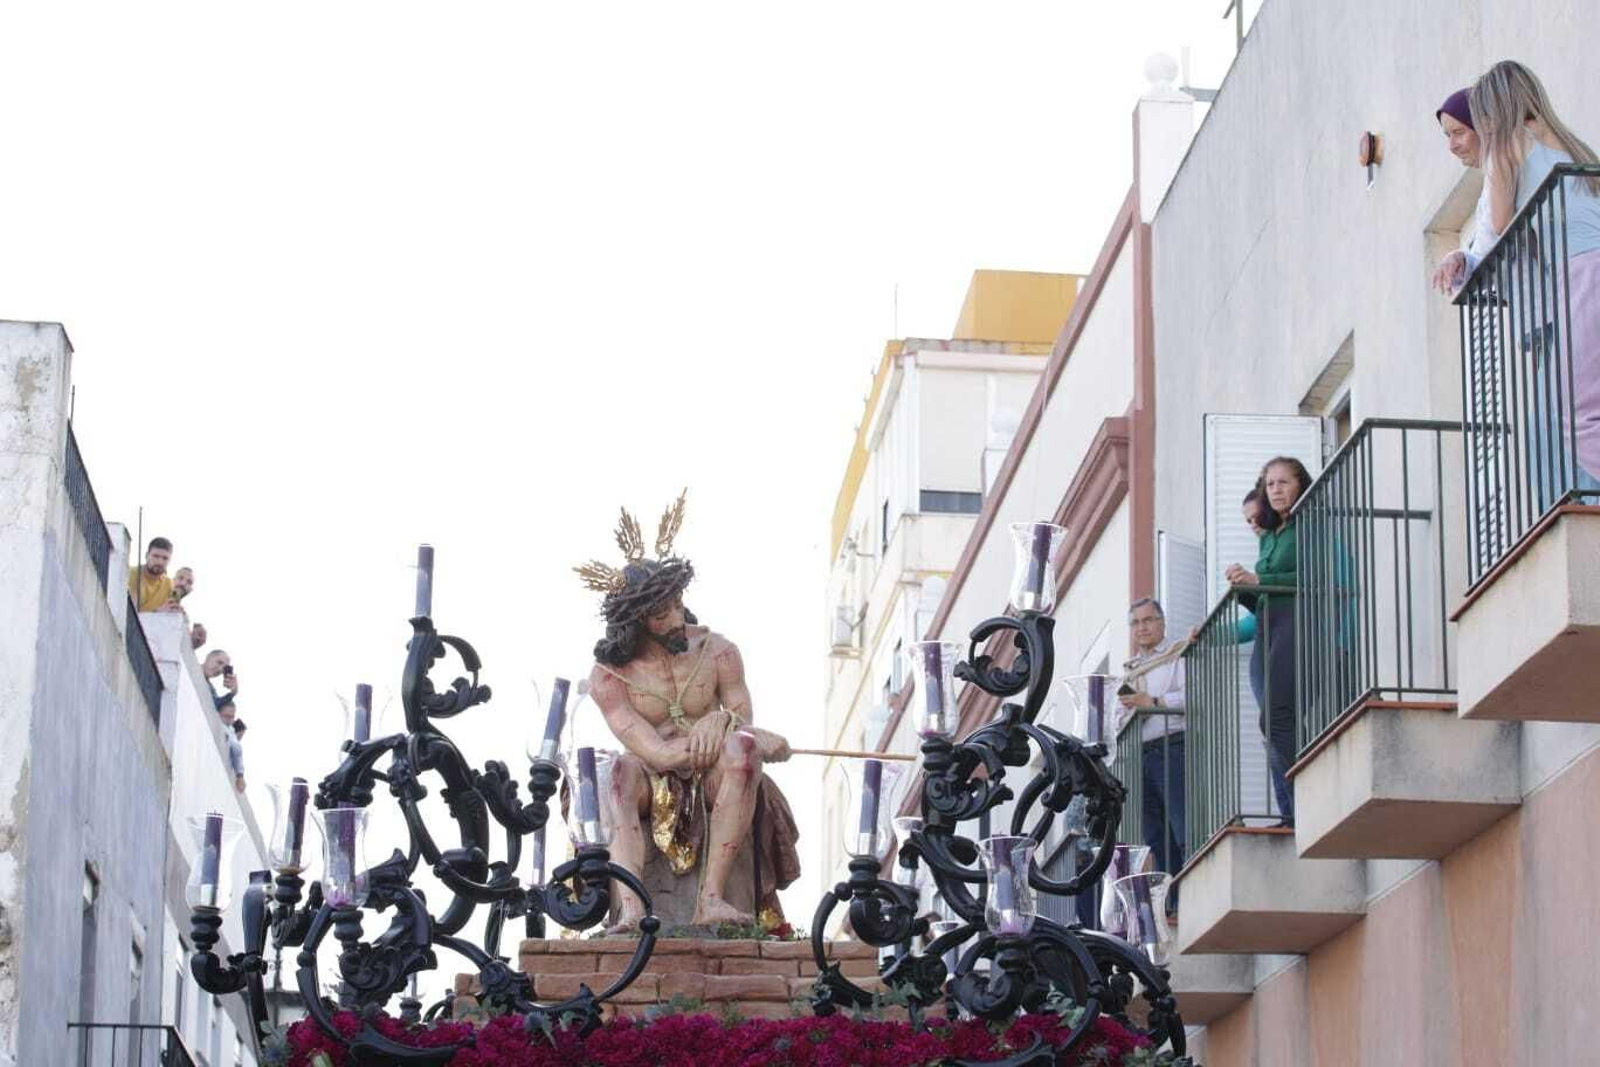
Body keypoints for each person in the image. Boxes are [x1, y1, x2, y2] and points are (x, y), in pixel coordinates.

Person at [580, 494, 799, 932]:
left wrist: (727, 724)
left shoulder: (719, 651)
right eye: (662, 614)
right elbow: (656, 753)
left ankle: (711, 899)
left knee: (741, 752)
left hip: (712, 777)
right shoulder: (608, 678)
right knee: (616, 775)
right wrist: (712, 736)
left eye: (678, 604)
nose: (677, 618)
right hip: (649, 775)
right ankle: (632, 909)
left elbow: (740, 713)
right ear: (636, 621)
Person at [1470, 60, 1600, 493]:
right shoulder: (1571, 142)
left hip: (1580, 275)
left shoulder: (1506, 148)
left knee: (1572, 412)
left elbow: (1499, 224)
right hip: (1589, 266)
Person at [1226, 457, 1313, 827]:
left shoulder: (1309, 522)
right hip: (1269, 629)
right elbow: (1263, 599)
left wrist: (1258, 580)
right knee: (1272, 723)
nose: (1276, 490)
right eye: (1270, 484)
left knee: (1277, 718)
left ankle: (1304, 800)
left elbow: (1313, 576)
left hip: (1295, 625)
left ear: (1300, 484)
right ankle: (1294, 806)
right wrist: (1243, 588)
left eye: (1283, 482)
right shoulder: (1270, 536)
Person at [1118, 598, 1186, 876]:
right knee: (1155, 835)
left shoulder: (1176, 654)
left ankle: (1190, 888)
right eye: (1135, 622)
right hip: (1140, 755)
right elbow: (1116, 721)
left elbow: (1192, 697)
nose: (1141, 628)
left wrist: (1153, 703)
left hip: (1172, 747)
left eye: (1148, 620)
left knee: (1181, 825)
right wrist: (1133, 713)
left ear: (1162, 623)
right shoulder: (1129, 670)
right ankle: (1172, 892)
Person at [1431, 88, 1497, 294]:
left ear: (1484, 128)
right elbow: (1485, 253)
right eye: (1448, 135)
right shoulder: (1489, 183)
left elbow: (1492, 243)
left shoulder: (1507, 171)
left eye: (1459, 132)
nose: (1451, 146)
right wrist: (1460, 259)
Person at [128, 537, 175, 613]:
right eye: (156, 556)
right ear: (147, 556)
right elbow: (129, 612)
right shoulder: (129, 574)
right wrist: (156, 612)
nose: (160, 562)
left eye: (165, 558)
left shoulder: (168, 584)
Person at [217, 699, 246, 794]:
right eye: (226, 716)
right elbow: (236, 749)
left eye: (232, 717)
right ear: (218, 714)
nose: (230, 720)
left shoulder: (231, 729)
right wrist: (240, 776)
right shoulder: (222, 727)